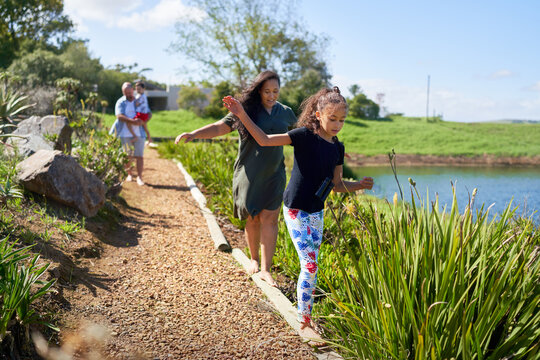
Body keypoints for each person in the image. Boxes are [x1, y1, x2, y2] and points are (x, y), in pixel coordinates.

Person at [222, 87, 374, 345]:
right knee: (310, 265)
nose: (337, 124)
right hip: (295, 210)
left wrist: (358, 184)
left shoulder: (338, 148)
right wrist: (241, 114)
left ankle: (307, 315)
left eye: (342, 120)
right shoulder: (303, 136)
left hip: (317, 212)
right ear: (318, 115)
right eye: (332, 118)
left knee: (312, 265)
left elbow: (336, 186)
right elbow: (265, 140)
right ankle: (305, 322)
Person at [175, 71, 296, 286]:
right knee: (252, 218)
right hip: (248, 174)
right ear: (259, 90)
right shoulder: (245, 110)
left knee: (270, 219)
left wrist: (332, 146)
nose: (271, 95)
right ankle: (254, 260)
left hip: (274, 174)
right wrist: (194, 134)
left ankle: (266, 270)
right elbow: (219, 127)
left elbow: (303, 134)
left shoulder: (285, 112)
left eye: (275, 91)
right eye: (267, 91)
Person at [110, 82, 147, 186]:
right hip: (124, 133)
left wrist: (143, 120)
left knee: (139, 156)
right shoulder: (120, 102)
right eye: (126, 93)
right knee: (127, 155)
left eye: (130, 92)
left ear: (133, 91)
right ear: (123, 92)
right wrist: (133, 121)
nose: (129, 95)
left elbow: (147, 113)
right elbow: (119, 116)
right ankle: (129, 174)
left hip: (139, 133)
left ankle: (140, 177)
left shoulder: (139, 100)